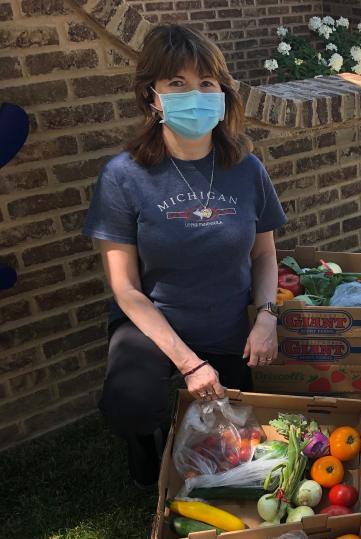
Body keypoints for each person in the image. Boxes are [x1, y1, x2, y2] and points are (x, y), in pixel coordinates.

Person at [83, 25, 287, 486]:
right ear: (151, 96)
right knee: (131, 402)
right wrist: (188, 363)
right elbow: (125, 289)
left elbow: (264, 252)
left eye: (206, 84)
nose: (194, 94)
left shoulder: (246, 168)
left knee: (236, 433)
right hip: (152, 323)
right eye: (177, 83)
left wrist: (267, 317)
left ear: (222, 95)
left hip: (225, 320)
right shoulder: (123, 176)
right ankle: (146, 450)